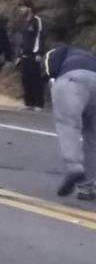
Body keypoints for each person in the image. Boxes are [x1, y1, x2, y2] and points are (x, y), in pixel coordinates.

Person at [43, 45, 96, 199]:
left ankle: (74, 166)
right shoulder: (91, 58)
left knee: (68, 126)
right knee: (92, 138)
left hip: (72, 81)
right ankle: (87, 187)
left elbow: (48, 68)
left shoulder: (59, 51)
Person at [17, 0, 46, 110]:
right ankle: (28, 103)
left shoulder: (37, 21)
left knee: (36, 79)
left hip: (34, 55)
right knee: (25, 79)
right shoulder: (24, 22)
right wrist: (19, 55)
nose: (20, 10)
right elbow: (22, 40)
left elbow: (40, 37)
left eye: (22, 7)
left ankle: (39, 103)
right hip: (24, 55)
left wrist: (39, 53)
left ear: (29, 8)